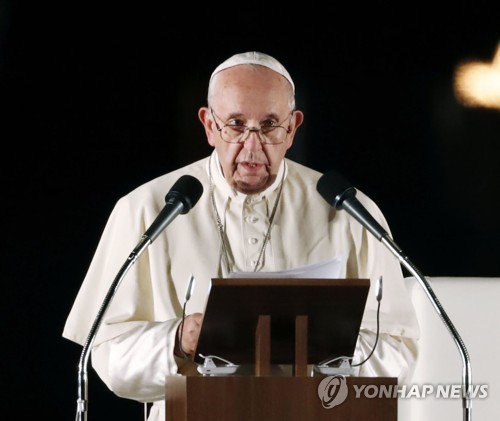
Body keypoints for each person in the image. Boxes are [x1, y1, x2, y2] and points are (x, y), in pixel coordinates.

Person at [63, 51, 420, 421]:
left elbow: (398, 351)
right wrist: (178, 341)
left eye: (269, 125)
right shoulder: (147, 209)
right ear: (209, 125)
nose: (252, 147)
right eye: (235, 124)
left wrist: (324, 351)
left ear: (293, 128)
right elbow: (107, 356)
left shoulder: (349, 212)